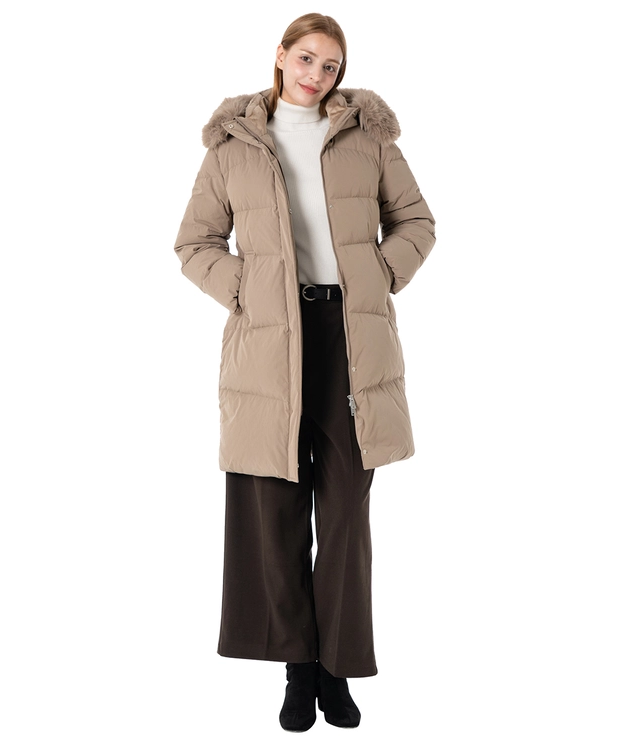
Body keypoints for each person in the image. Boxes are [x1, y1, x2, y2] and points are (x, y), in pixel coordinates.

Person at [173, 12, 435, 732]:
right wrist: (248, 290)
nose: (317, 74)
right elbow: (194, 242)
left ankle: (335, 669)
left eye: (331, 65)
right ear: (282, 55)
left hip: (349, 340)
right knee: (274, 512)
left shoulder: (368, 137)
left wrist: (377, 275)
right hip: (268, 344)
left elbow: (416, 223)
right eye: (308, 58)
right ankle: (295, 669)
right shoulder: (234, 145)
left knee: (346, 514)